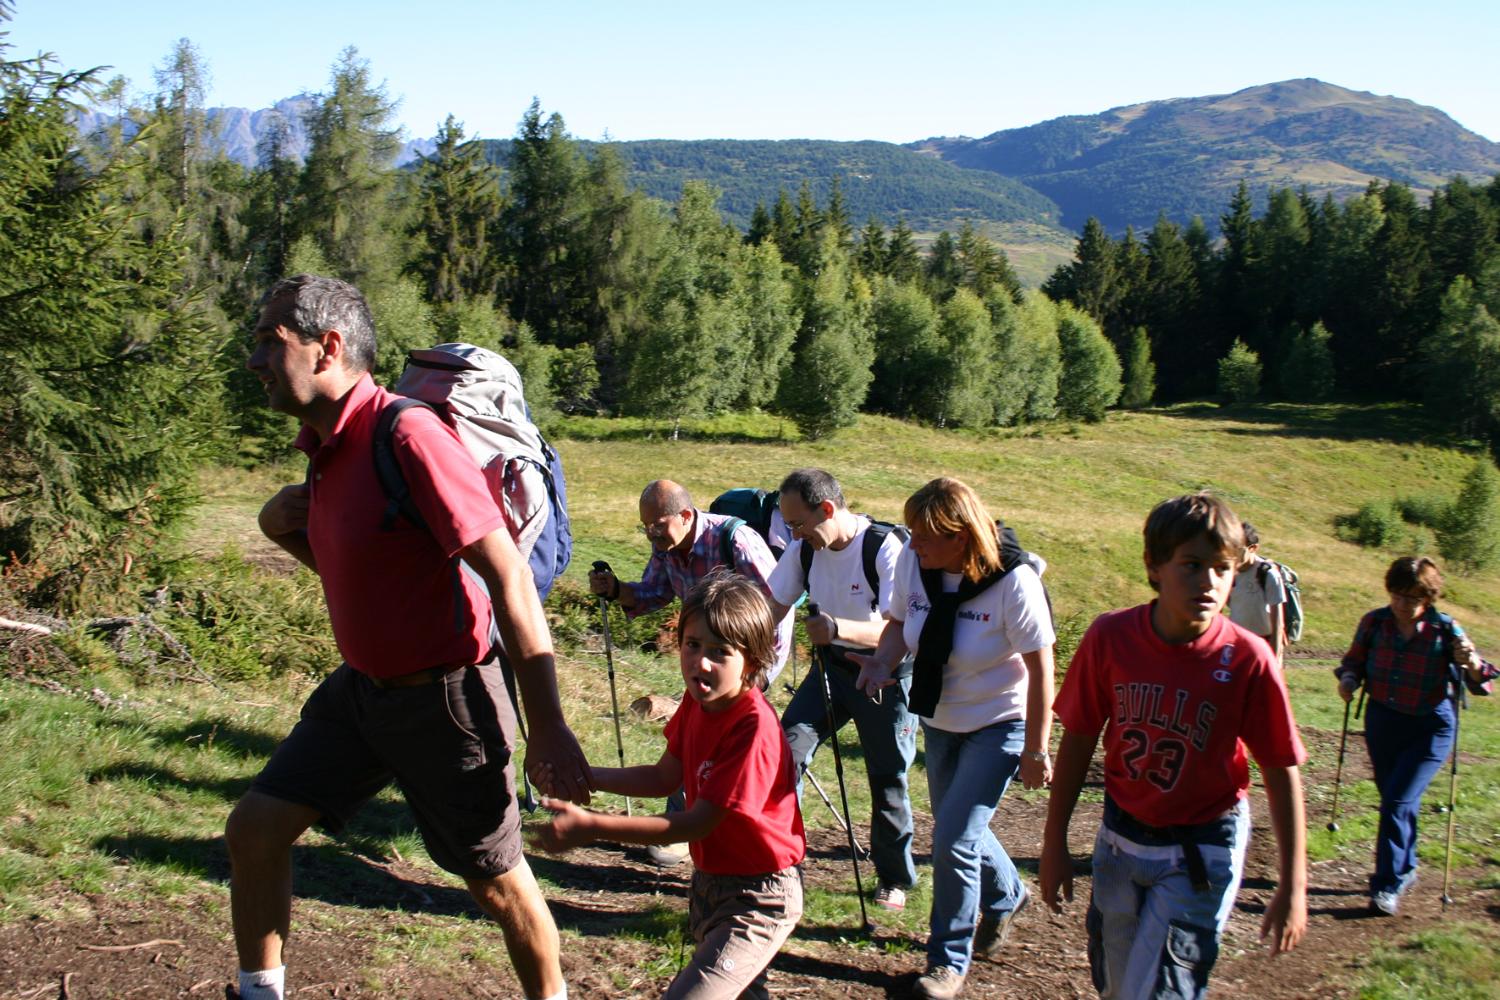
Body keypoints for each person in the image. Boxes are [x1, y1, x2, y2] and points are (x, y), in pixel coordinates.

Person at [226, 275, 589, 1000]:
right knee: (255, 829)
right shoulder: (325, 443)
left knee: (498, 886)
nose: (255, 359)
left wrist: (549, 728)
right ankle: (258, 994)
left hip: (446, 702)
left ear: (328, 348)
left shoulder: (409, 435)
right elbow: (365, 567)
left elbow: (510, 579)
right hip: (362, 694)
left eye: (271, 341)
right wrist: (279, 525)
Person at [1040, 492, 1307, 1000]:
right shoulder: (1111, 637)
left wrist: (1293, 884)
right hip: (1119, 839)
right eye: (1191, 564)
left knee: (1161, 991)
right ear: (1154, 565)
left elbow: (1279, 767)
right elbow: (1078, 738)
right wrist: (1055, 842)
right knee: (1117, 987)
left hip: (1199, 849)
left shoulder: (1247, 658)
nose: (1209, 582)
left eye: (1222, 568)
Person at [533, 571, 805, 999]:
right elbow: (663, 777)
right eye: (692, 645)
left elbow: (694, 824)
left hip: (758, 899)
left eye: (720, 652)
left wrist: (592, 826)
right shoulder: (698, 704)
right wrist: (584, 777)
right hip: (711, 883)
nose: (701, 662)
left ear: (752, 660)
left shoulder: (752, 728)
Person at [852, 478, 1055, 1000]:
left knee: (952, 841)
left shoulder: (1014, 582)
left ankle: (946, 963)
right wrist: (881, 662)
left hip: (1000, 723)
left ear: (960, 536)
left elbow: (1041, 667)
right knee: (956, 828)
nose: (912, 543)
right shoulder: (913, 566)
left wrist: (1036, 747)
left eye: (924, 535)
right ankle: (1008, 895)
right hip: (939, 718)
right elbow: (898, 623)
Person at [589, 480, 792, 867]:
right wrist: (615, 590)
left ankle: (722, 830)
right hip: (705, 664)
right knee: (694, 736)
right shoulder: (666, 548)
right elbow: (652, 593)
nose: (652, 533)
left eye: (658, 524)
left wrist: (759, 671)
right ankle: (691, 829)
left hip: (746, 664)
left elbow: (776, 604)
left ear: (685, 515)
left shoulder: (736, 540)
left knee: (724, 741)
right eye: (645, 526)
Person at [766, 468, 917, 911]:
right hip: (830, 670)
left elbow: (901, 627)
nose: (792, 533)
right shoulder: (804, 551)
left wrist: (834, 627)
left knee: (887, 778)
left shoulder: (884, 548)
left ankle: (894, 878)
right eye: (788, 525)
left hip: (886, 675)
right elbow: (772, 605)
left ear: (827, 509)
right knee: (785, 752)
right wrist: (739, 649)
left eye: (797, 523)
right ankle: (780, 859)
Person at [1335, 556, 1496, 915]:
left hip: (1431, 727)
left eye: (1411, 598)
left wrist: (1470, 663)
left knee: (1396, 801)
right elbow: (1354, 661)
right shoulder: (1374, 622)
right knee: (1397, 798)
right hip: (1383, 720)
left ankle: (1386, 885)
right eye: (1396, 595)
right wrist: (1348, 680)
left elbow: (1482, 682)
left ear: (1428, 597)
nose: (1402, 605)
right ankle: (1405, 868)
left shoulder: (1446, 630)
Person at [1226, 522, 1286, 665]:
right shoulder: (1228, 574)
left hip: (1262, 643)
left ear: (1253, 548)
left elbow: (1278, 624)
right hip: (1236, 644)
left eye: (1238, 551)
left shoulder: (1267, 575)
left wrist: (1274, 660)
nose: (1234, 556)